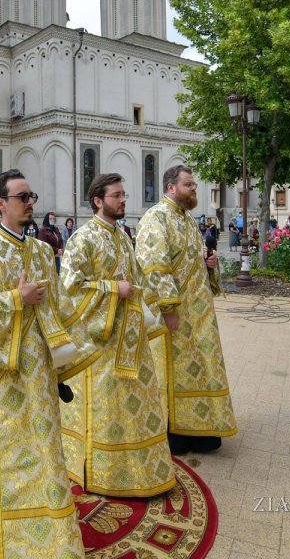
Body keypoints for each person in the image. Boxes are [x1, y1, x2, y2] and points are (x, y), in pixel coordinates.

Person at [0, 170, 83, 558]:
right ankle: (8, 541)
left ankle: (54, 534)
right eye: (22, 196)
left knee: (46, 449)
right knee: (7, 455)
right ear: (0, 203)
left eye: (31, 196)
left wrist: (68, 355)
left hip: (40, 374)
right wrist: (14, 299)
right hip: (3, 380)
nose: (30, 203)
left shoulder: (42, 252)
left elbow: (59, 307)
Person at [60, 173, 175, 497]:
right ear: (98, 200)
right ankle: (104, 473)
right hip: (102, 346)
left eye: (124, 194)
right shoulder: (82, 239)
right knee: (108, 409)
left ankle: (139, 469)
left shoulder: (124, 238)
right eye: (117, 195)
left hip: (132, 340)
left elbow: (137, 280)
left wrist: (159, 305)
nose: (123, 200)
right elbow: (69, 289)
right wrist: (113, 289)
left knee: (136, 406)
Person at [135, 165, 238, 455]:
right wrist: (168, 307)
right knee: (175, 371)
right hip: (174, 314)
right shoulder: (155, 218)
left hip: (199, 313)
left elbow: (190, 260)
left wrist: (209, 265)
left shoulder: (188, 220)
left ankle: (201, 426)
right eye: (189, 184)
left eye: (193, 184)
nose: (194, 188)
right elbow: (154, 266)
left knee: (202, 366)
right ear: (171, 187)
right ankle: (174, 430)